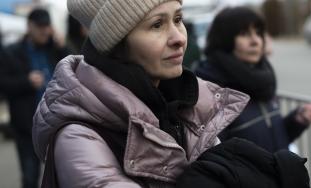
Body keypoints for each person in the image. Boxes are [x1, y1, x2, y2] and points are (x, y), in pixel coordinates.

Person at [32, 0, 249, 187]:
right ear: (117, 43)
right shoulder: (79, 137)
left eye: (178, 19)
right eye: (157, 24)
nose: (179, 38)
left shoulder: (183, 107)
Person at [195, 7, 311, 153]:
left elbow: (271, 138)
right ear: (224, 39)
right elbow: (218, 161)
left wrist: (296, 121)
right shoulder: (211, 93)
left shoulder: (261, 81)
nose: (255, 41)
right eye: (244, 34)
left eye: (258, 33)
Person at [0, 8, 70, 188]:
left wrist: (62, 46)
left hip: (56, 124)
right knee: (30, 177)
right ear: (29, 26)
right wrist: (26, 81)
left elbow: (77, 69)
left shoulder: (55, 48)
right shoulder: (11, 52)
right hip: (27, 126)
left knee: (62, 176)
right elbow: (4, 84)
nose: (44, 31)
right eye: (40, 26)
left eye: (47, 26)